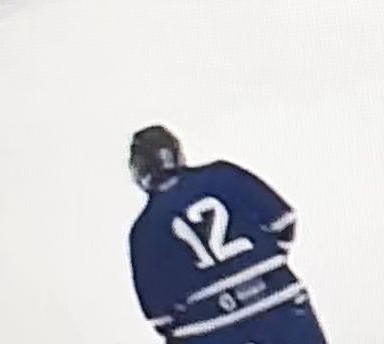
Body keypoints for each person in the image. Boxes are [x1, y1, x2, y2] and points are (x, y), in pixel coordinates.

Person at [127, 126, 328, 344]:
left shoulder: (144, 229)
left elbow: (158, 312)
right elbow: (283, 219)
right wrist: (268, 264)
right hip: (277, 300)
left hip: (207, 327)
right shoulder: (223, 175)